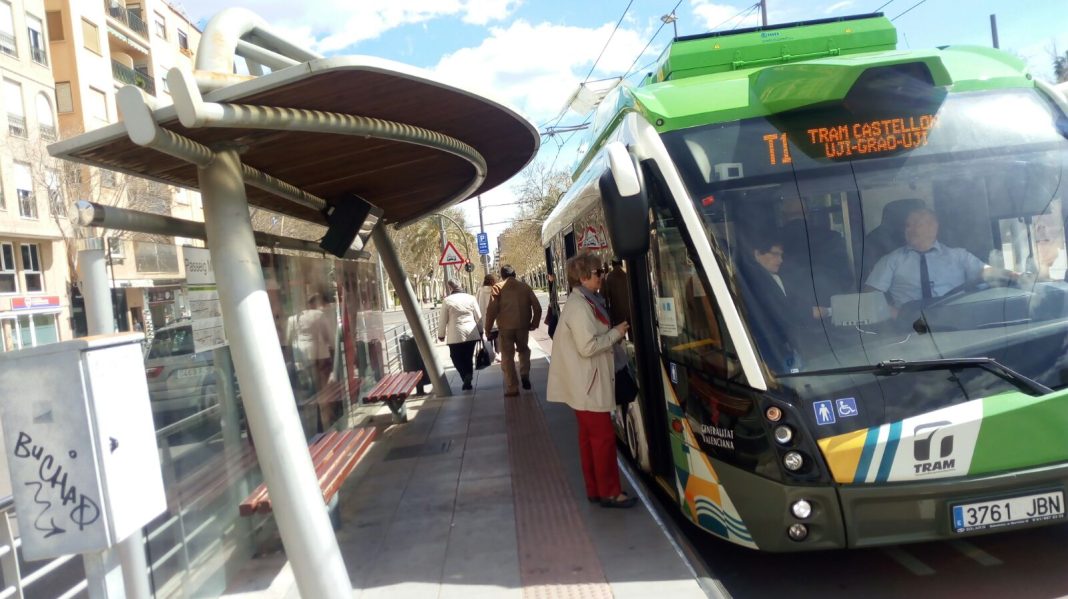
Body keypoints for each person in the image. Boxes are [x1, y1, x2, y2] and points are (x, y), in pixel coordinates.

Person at [546, 252, 636, 508]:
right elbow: (587, 347)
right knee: (603, 438)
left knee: (589, 439)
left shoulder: (584, 301)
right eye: (598, 272)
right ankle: (610, 492)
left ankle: (595, 489)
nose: (602, 276)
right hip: (589, 384)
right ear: (584, 276)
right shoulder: (580, 307)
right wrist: (616, 333)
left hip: (585, 384)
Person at [865, 207, 1015, 309]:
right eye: (907, 225)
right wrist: (892, 314)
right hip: (910, 326)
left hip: (956, 322)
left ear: (933, 227)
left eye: (916, 224)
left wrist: (1016, 276)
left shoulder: (959, 256)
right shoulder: (891, 260)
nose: (909, 229)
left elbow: (987, 272)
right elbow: (870, 297)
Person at [485, 264, 542, 397]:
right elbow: (537, 307)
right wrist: (534, 323)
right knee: (524, 350)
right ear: (515, 274)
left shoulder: (497, 288)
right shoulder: (525, 287)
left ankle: (513, 387)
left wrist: (488, 329)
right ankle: (524, 373)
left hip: (505, 328)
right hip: (523, 326)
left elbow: (491, 310)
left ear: (502, 276)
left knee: (507, 357)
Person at [437, 279, 482, 391]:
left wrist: (441, 334)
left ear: (450, 288)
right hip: (471, 333)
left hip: (455, 335)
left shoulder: (447, 301)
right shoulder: (471, 298)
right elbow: (478, 317)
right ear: (461, 285)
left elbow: (443, 319)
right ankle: (468, 378)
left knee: (455, 357)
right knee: (468, 356)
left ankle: (465, 376)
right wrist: (481, 331)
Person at [601, 257, 631, 328]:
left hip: (617, 313)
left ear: (613, 264)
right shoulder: (626, 275)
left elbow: (604, 295)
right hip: (629, 311)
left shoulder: (609, 277)